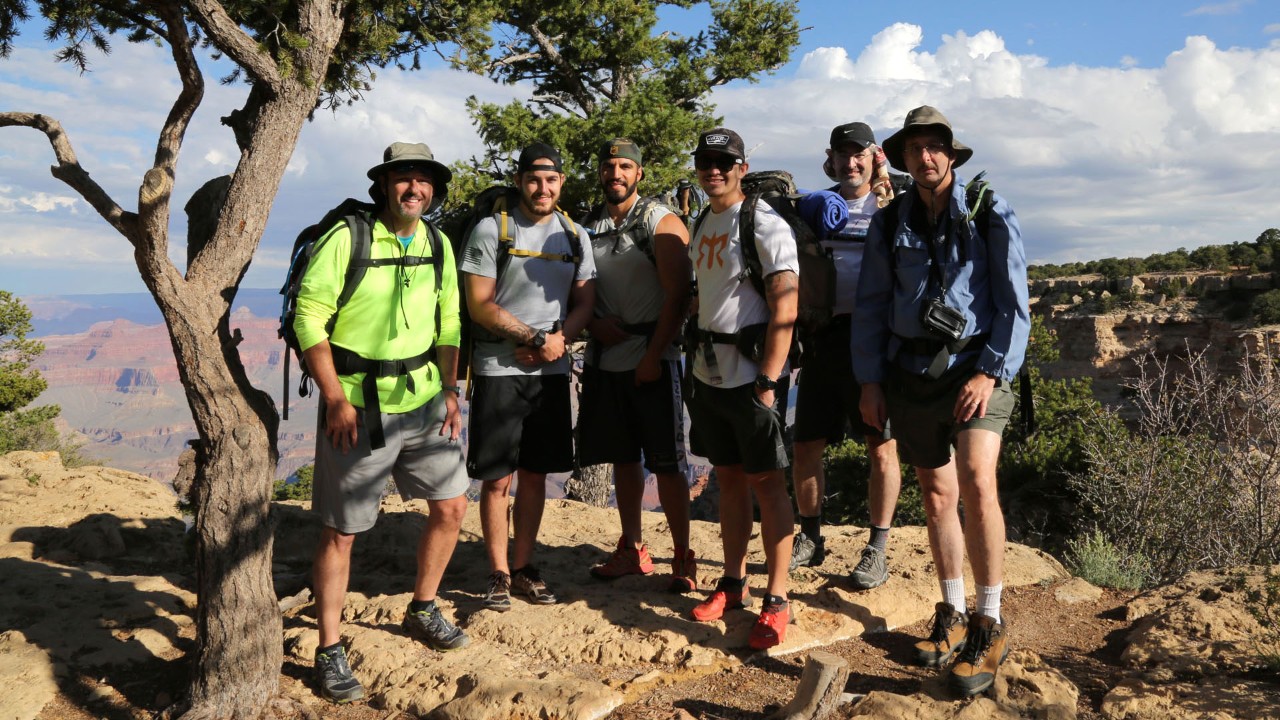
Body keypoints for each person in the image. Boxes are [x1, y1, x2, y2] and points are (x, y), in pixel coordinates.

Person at [852, 106, 1030, 696]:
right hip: (910, 371)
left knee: (977, 479)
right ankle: (951, 612)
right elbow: (871, 305)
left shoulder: (988, 210)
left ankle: (989, 621)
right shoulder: (889, 222)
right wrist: (870, 381)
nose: (925, 156)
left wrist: (990, 372)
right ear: (902, 158)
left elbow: (1014, 303)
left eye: (935, 146)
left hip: (975, 368)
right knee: (936, 493)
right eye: (914, 148)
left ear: (951, 154)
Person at [298, 142, 470, 704]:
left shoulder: (438, 244)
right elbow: (309, 317)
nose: (413, 189)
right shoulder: (347, 238)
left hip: (425, 400)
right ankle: (329, 647)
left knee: (451, 507)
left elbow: (449, 322)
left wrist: (450, 389)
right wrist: (334, 399)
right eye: (403, 178)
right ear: (384, 185)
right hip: (357, 407)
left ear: (433, 190)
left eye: (423, 180)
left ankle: (423, 606)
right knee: (341, 531)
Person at [461, 142, 596, 612]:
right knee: (497, 478)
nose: (543, 187)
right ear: (520, 180)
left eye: (551, 179)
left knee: (536, 474)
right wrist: (538, 339)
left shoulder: (575, 236)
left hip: (550, 373)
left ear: (561, 183)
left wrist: (557, 342)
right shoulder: (491, 230)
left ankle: (524, 567)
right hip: (498, 369)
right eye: (534, 179)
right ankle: (498, 572)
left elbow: (585, 302)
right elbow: (479, 305)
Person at [685, 127, 797, 650]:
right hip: (708, 375)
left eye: (724, 162)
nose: (714, 170)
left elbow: (785, 305)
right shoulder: (703, 220)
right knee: (728, 478)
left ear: (742, 168)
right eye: (706, 161)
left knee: (768, 485)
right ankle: (733, 583)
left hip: (752, 378)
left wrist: (769, 382)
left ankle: (777, 598)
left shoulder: (764, 223)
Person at [580, 138, 698, 592]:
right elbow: (577, 290)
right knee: (624, 458)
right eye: (609, 166)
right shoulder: (588, 225)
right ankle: (632, 548)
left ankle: (683, 556)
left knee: (667, 463)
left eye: (625, 167)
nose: (616, 174)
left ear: (639, 174)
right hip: (607, 358)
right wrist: (593, 323)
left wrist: (652, 357)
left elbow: (680, 296)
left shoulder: (659, 220)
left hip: (654, 358)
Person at [789, 122, 902, 591]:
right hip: (824, 337)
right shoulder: (818, 206)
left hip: (875, 340)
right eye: (842, 154)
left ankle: (877, 548)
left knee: (880, 445)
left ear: (875, 157)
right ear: (831, 158)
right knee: (806, 443)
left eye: (859, 154)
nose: (850, 163)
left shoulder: (894, 204)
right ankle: (810, 536)